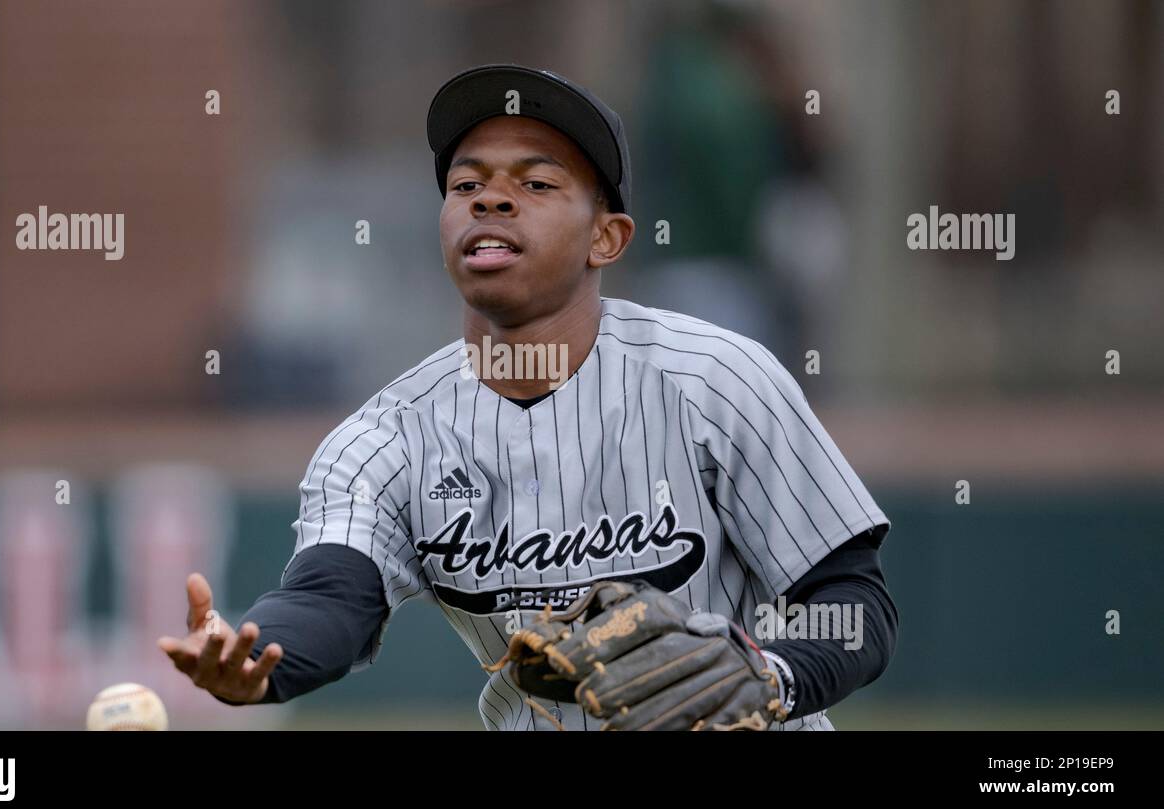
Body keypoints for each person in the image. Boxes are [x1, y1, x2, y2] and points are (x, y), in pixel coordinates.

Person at [158, 64, 898, 730]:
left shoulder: (719, 380)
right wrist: (260, 658)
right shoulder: (386, 439)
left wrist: (770, 675)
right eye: (466, 185)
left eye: (536, 184)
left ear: (606, 237)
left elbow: (853, 603)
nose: (493, 200)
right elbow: (330, 597)